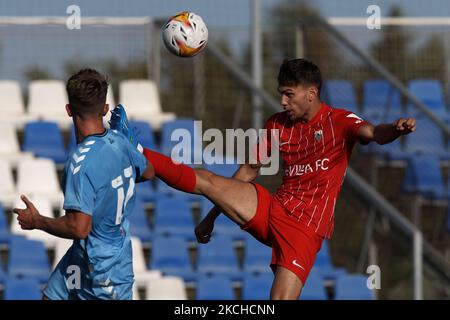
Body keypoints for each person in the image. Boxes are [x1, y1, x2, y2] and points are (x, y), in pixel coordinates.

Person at [110, 58, 416, 300]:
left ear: (311, 94)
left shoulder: (340, 121)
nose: (283, 101)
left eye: (289, 94)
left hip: (305, 230)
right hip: (274, 210)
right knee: (207, 180)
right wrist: (212, 216)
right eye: (281, 93)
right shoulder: (277, 125)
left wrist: (396, 129)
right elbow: (248, 171)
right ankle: (138, 150)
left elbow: (374, 133)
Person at [13, 69, 154, 300]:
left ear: (69, 110)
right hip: (82, 256)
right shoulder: (119, 142)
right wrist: (132, 144)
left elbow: (79, 228)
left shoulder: (80, 164)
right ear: (106, 109)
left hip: (103, 270)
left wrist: (37, 221)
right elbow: (149, 171)